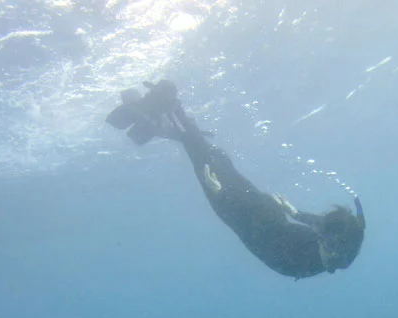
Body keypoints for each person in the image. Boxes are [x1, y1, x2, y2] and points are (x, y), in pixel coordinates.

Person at [106, 80, 366, 279]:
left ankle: (171, 110)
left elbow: (248, 232)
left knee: (203, 160)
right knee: (218, 155)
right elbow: (322, 224)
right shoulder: (348, 239)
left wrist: (218, 194)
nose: (327, 247)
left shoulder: (294, 261)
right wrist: (295, 212)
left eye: (329, 245)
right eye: (325, 237)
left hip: (237, 211)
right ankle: (161, 122)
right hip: (266, 209)